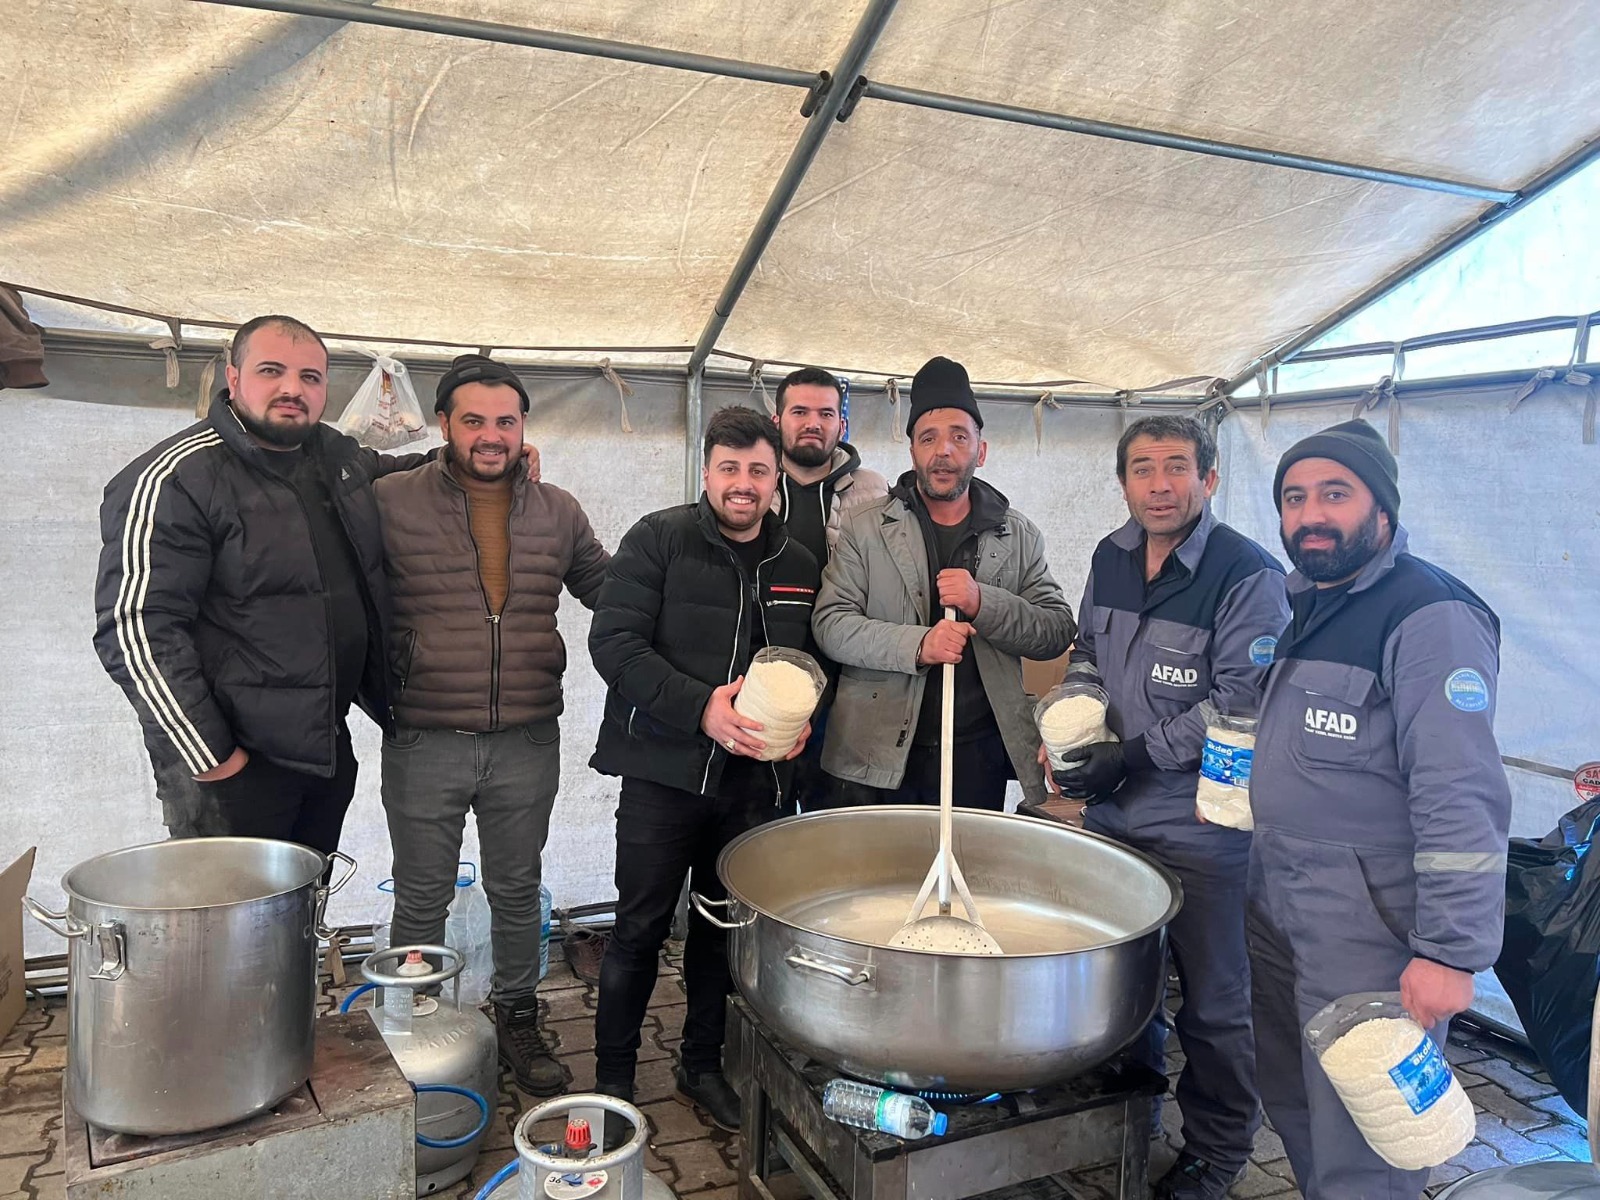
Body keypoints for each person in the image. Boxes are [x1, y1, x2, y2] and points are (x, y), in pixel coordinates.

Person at [1247, 419, 1512, 1199]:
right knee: (1293, 1094)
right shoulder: (1310, 602)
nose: (1310, 515)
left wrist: (1450, 951)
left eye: (1335, 493)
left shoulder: (1430, 615)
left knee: (1367, 1126)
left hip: (1367, 923)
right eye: (1294, 498)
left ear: (1383, 510)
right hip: (1277, 899)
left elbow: (1459, 789)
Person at [1052, 415, 1289, 1200]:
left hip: (1206, 826)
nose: (1160, 485)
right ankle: (1135, 1113)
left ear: (1209, 479)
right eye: (1143, 469)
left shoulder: (1245, 572)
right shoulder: (1108, 556)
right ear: (1123, 482)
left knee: (1218, 1004)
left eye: (1177, 468)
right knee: (1129, 980)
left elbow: (1242, 699)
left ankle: (1217, 1154)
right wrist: (1080, 724)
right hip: (1118, 815)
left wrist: (1136, 753)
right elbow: (1086, 651)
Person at [93, 315, 428, 855]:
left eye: (310, 377)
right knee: (227, 934)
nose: (292, 388)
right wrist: (214, 758)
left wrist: (471, 459)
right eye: (271, 370)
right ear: (233, 376)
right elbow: (134, 632)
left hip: (322, 749)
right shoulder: (175, 477)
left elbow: (400, 473)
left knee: (298, 920)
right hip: (233, 771)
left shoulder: (335, 459)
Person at [373, 354, 611, 1096]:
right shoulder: (389, 500)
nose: (491, 435)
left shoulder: (559, 509)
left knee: (518, 889)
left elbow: (612, 591)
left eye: (505, 421)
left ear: (523, 428)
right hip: (424, 734)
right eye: (473, 420)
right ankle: (416, 1025)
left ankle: (516, 1016)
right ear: (444, 424)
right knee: (421, 894)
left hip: (527, 736)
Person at [587, 406, 820, 1135]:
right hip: (663, 773)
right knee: (638, 929)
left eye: (757, 470)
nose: (743, 484)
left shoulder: (801, 563)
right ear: (706, 471)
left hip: (755, 785)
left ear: (776, 476)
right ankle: (615, 1083)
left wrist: (808, 713)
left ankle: (701, 1065)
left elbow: (816, 660)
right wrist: (700, 710)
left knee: (723, 931)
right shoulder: (659, 539)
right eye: (730, 468)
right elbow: (615, 646)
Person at [812, 355, 1075, 811]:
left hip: (977, 755)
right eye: (928, 438)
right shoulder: (865, 527)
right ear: (912, 452)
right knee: (880, 878)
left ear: (981, 449)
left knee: (965, 877)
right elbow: (831, 625)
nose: (944, 451)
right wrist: (919, 645)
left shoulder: (1018, 534)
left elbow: (1055, 631)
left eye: (959, 437)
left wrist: (982, 602)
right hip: (875, 751)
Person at [769, 366, 887, 810]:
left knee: (836, 827)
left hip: (846, 687)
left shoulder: (874, 490)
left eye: (825, 413)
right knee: (763, 827)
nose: (813, 422)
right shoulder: (754, 481)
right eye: (799, 411)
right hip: (765, 679)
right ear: (777, 419)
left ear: (842, 423)